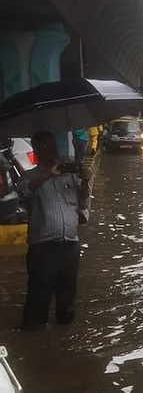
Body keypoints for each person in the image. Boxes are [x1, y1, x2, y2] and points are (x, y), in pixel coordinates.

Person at [19, 131, 90, 330]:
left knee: (67, 298)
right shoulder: (30, 176)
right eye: (44, 146)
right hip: (43, 247)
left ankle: (64, 338)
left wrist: (84, 181)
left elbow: (83, 202)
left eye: (52, 145)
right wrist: (48, 174)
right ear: (36, 150)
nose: (51, 149)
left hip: (70, 244)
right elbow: (25, 190)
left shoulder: (69, 176)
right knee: (38, 297)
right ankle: (33, 338)